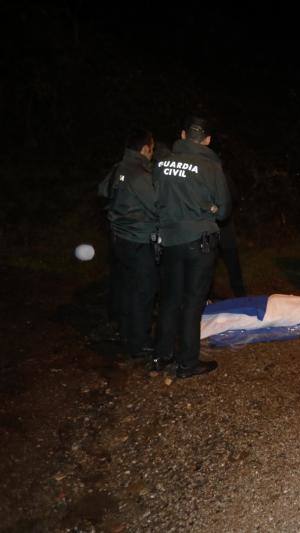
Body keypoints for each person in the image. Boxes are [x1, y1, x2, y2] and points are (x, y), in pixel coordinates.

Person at [152, 116, 231, 378]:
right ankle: (188, 363)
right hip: (199, 242)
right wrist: (209, 207)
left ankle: (161, 356)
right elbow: (223, 211)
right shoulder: (211, 166)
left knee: (170, 299)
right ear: (207, 140)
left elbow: (153, 200)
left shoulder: (161, 162)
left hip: (169, 241)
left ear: (183, 134)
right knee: (192, 303)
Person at [97, 128, 159, 358]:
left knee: (126, 286)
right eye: (152, 149)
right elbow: (156, 206)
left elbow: (102, 191)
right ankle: (139, 341)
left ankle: (125, 330)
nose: (152, 154)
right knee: (144, 290)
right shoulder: (140, 174)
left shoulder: (118, 168)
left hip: (119, 238)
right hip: (139, 240)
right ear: (144, 149)